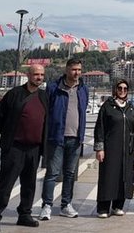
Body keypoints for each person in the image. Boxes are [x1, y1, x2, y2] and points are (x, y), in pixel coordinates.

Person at [0, 64, 49, 232]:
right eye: (36, 74)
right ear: (28, 75)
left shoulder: (44, 96)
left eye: (42, 75)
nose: (39, 77)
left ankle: (24, 214)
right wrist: (7, 133)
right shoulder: (15, 94)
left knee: (29, 184)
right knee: (5, 184)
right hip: (14, 147)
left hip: (34, 148)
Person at [40, 58, 88, 220]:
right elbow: (46, 110)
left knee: (69, 173)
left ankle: (66, 204)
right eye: (74, 69)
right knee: (52, 173)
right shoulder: (54, 88)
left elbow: (83, 110)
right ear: (67, 69)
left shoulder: (83, 89)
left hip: (75, 139)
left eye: (79, 70)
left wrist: (81, 135)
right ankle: (46, 205)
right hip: (57, 137)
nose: (77, 73)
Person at [93, 79, 134, 218]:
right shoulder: (107, 106)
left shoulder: (130, 107)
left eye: (125, 88)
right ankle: (103, 207)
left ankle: (118, 205)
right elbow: (99, 128)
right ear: (115, 89)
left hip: (126, 149)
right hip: (110, 148)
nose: (122, 91)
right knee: (108, 176)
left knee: (123, 177)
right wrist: (100, 148)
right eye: (120, 88)